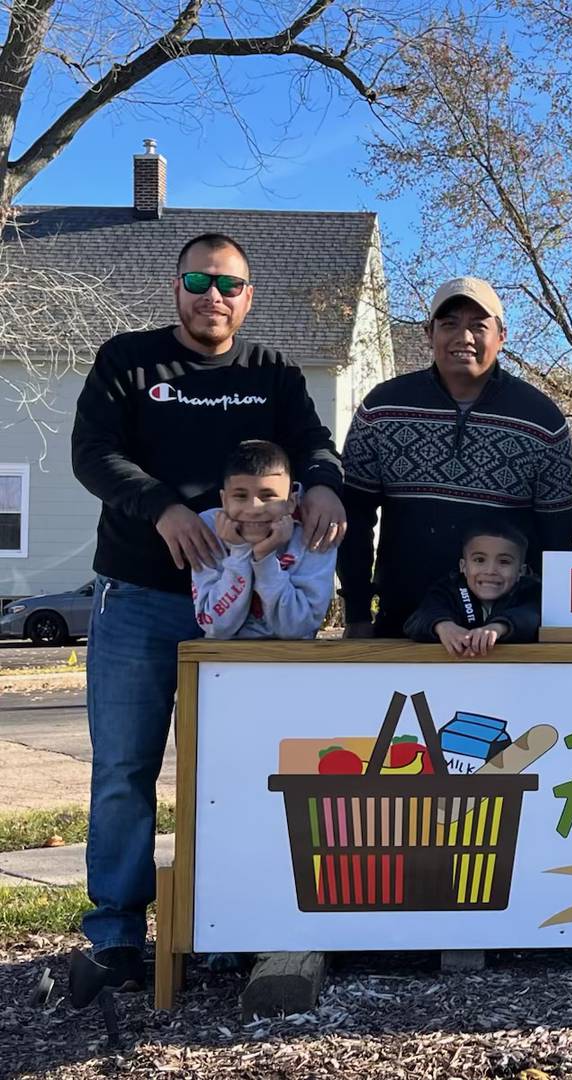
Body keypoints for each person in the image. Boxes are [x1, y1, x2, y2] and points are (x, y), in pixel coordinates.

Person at [69, 232, 346, 1002]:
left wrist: (325, 482)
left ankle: (236, 923)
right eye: (198, 282)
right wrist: (163, 509)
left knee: (244, 774)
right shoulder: (129, 362)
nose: (212, 297)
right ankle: (116, 935)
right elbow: (92, 454)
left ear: (248, 297)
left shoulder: (272, 373)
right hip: (140, 597)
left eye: (228, 285)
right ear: (176, 288)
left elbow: (315, 445)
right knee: (124, 770)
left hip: (245, 619)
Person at [339, 278, 572, 637]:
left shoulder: (541, 420)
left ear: (502, 336)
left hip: (506, 634)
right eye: (449, 324)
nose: (463, 337)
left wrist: (551, 621)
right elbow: (354, 518)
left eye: (478, 326)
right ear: (429, 333)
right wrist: (358, 613)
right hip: (404, 625)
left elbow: (559, 538)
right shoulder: (382, 409)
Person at [192, 440, 336, 640]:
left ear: (291, 502)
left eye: (268, 496)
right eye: (240, 496)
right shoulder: (208, 529)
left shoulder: (314, 531)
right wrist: (240, 554)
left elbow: (295, 628)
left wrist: (265, 559)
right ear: (224, 500)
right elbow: (217, 627)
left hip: (295, 656)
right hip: (224, 658)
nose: (254, 509)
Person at [404, 519, 541, 657]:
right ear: (463, 566)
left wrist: (498, 628)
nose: (490, 571)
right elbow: (420, 617)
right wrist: (443, 626)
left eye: (504, 562)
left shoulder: (530, 593)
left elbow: (531, 617)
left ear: (520, 571)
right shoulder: (447, 590)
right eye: (479, 560)